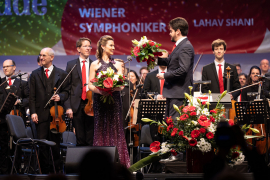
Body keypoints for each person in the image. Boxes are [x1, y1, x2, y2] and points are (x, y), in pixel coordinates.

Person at [88, 35, 130, 167]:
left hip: (114, 100)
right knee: (100, 129)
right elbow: (89, 84)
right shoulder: (94, 64)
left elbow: (122, 85)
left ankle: (119, 164)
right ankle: (100, 165)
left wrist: (112, 88)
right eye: (111, 45)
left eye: (113, 45)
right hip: (100, 100)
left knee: (116, 129)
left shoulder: (117, 64)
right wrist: (100, 91)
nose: (113, 47)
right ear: (103, 46)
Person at [29, 47, 69, 173]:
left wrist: (60, 96)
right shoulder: (35, 74)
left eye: (44, 55)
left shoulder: (61, 73)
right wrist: (33, 112)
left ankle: (55, 170)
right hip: (40, 115)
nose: (41, 57)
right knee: (42, 144)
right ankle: (43, 171)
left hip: (56, 115)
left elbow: (66, 92)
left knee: (55, 143)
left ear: (51, 57)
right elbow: (32, 96)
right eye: (40, 55)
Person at [156, 17, 194, 120]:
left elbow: (183, 69)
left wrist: (164, 75)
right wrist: (154, 58)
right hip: (174, 93)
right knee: (170, 124)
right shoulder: (180, 45)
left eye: (171, 31)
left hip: (179, 94)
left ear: (178, 31)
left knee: (175, 126)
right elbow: (171, 62)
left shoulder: (185, 46)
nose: (169, 33)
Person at [64, 37, 94, 146]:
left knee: (90, 137)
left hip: (91, 104)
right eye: (85, 46)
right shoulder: (71, 64)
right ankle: (81, 162)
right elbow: (66, 87)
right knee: (80, 137)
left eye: (89, 46)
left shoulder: (94, 64)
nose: (88, 48)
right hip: (76, 105)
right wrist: (68, 107)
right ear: (78, 49)